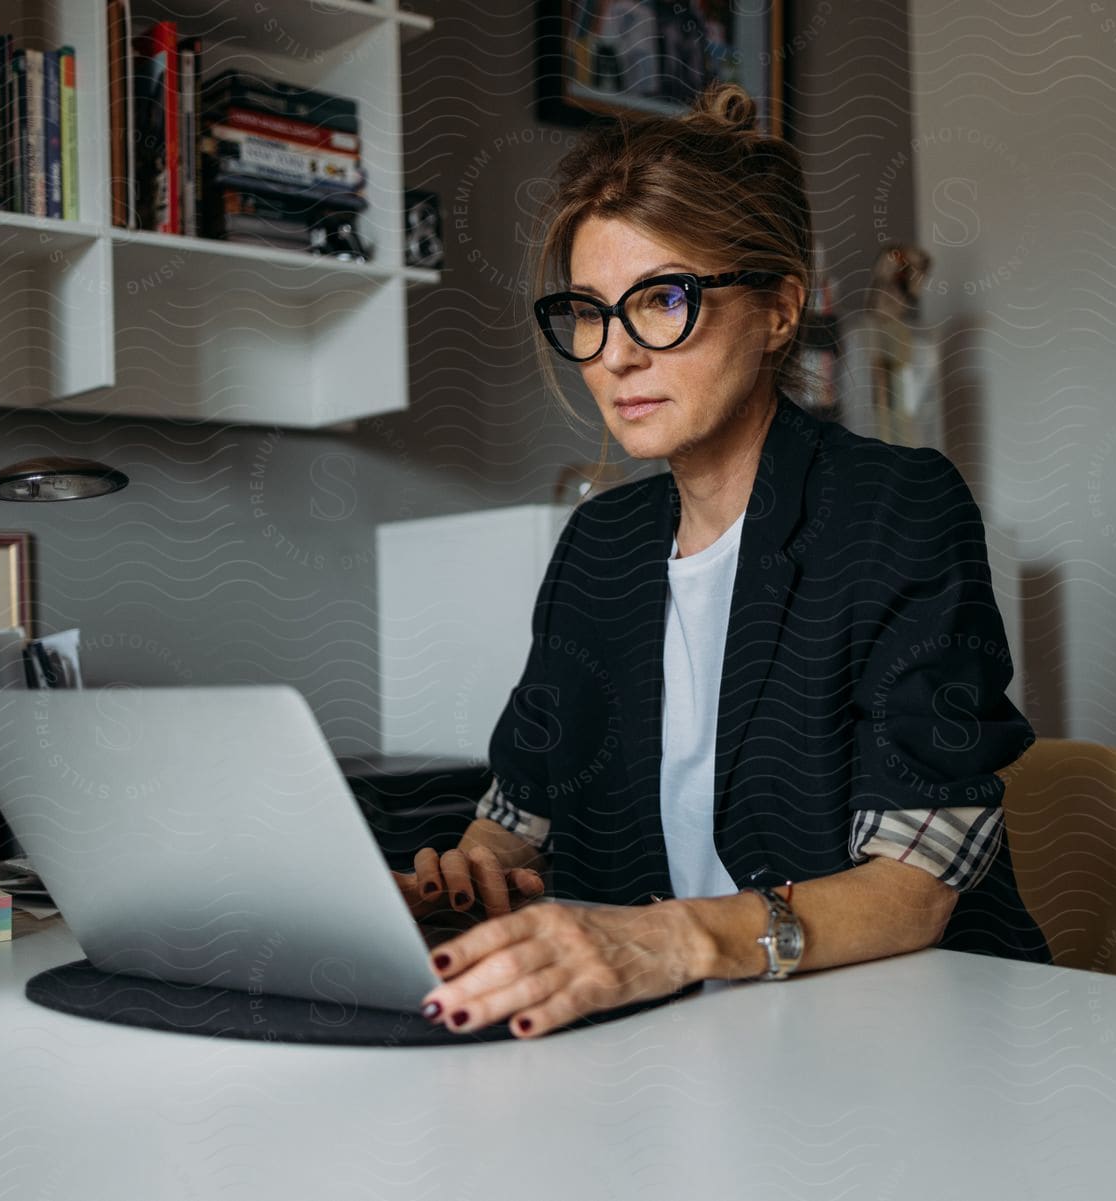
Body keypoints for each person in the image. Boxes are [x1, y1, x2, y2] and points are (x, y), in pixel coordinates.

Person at [390, 80, 1050, 1040]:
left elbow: (915, 889)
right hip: (672, 1043)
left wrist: (665, 942)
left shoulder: (894, 508)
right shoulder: (598, 547)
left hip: (900, 1042)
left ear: (781, 309)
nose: (615, 355)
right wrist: (472, 875)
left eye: (663, 300)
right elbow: (517, 811)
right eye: (588, 311)